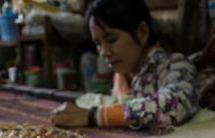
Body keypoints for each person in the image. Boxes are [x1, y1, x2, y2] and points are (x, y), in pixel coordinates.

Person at [51, 0, 199, 130]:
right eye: (98, 43)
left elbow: (174, 106)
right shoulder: (124, 75)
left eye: (111, 39)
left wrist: (94, 116)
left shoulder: (176, 66)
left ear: (142, 32)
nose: (104, 52)